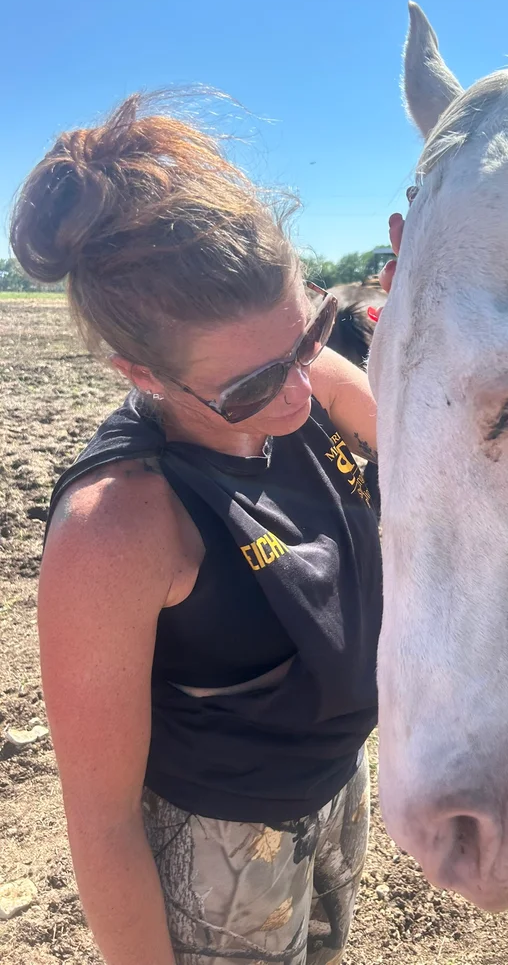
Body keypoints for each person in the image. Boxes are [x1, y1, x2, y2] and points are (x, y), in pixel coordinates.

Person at [10, 94, 383, 965]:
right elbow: (100, 822)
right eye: (253, 385)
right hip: (222, 850)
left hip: (339, 782)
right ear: (138, 370)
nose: (299, 394)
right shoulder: (119, 530)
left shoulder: (299, 369)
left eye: (312, 335)